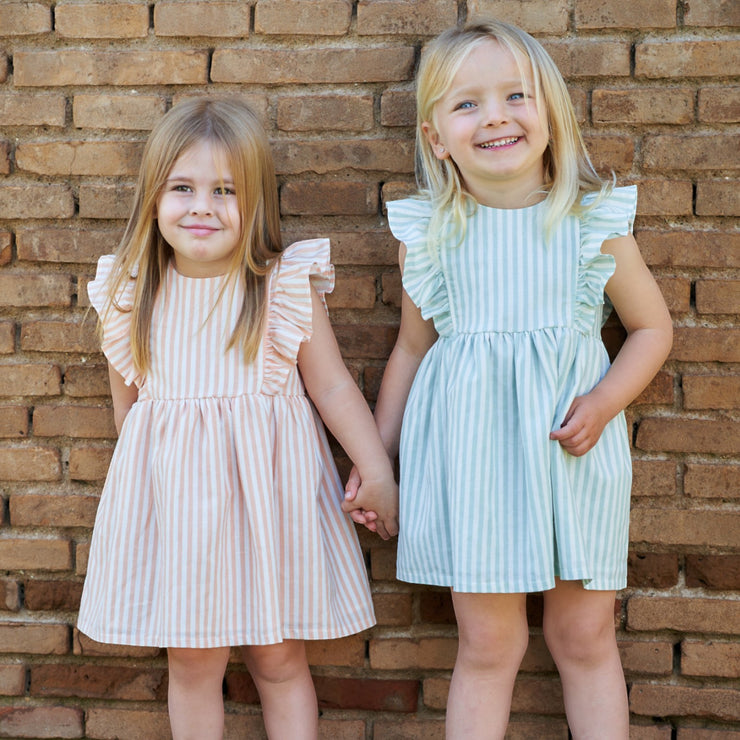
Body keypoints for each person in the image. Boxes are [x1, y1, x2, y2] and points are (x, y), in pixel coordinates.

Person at [343, 19, 673, 739]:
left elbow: (652, 329)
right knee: (490, 645)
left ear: (549, 114)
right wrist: (378, 462)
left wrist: (606, 400)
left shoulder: (591, 219)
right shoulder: (429, 233)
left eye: (516, 96)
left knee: (584, 639)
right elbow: (410, 349)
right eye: (467, 104)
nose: (495, 115)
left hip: (572, 453)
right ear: (436, 138)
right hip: (472, 463)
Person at [77, 96, 398, 740]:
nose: (202, 206)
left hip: (269, 508)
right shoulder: (129, 293)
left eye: (225, 190)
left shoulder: (280, 285)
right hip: (181, 520)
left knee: (278, 658)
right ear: (153, 197)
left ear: (256, 202)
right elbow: (130, 417)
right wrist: (147, 512)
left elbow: (332, 386)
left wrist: (376, 468)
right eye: (183, 188)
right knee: (193, 662)